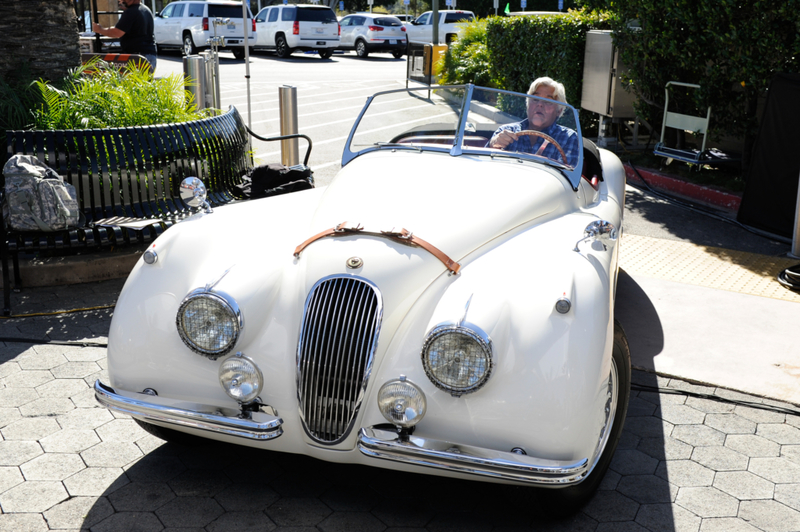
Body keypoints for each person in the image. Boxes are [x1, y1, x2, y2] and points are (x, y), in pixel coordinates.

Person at [489, 77, 580, 167]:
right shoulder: (507, 130)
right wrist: (493, 145)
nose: (540, 104)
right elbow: (486, 165)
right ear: (527, 104)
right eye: (535, 99)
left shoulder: (568, 137)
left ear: (559, 110)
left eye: (548, 101)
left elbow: (566, 176)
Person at [92, 0, 158, 73]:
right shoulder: (145, 9)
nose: (121, 1)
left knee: (132, 83)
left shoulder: (131, 12)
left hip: (136, 56)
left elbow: (117, 32)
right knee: (144, 83)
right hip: (149, 54)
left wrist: (100, 30)